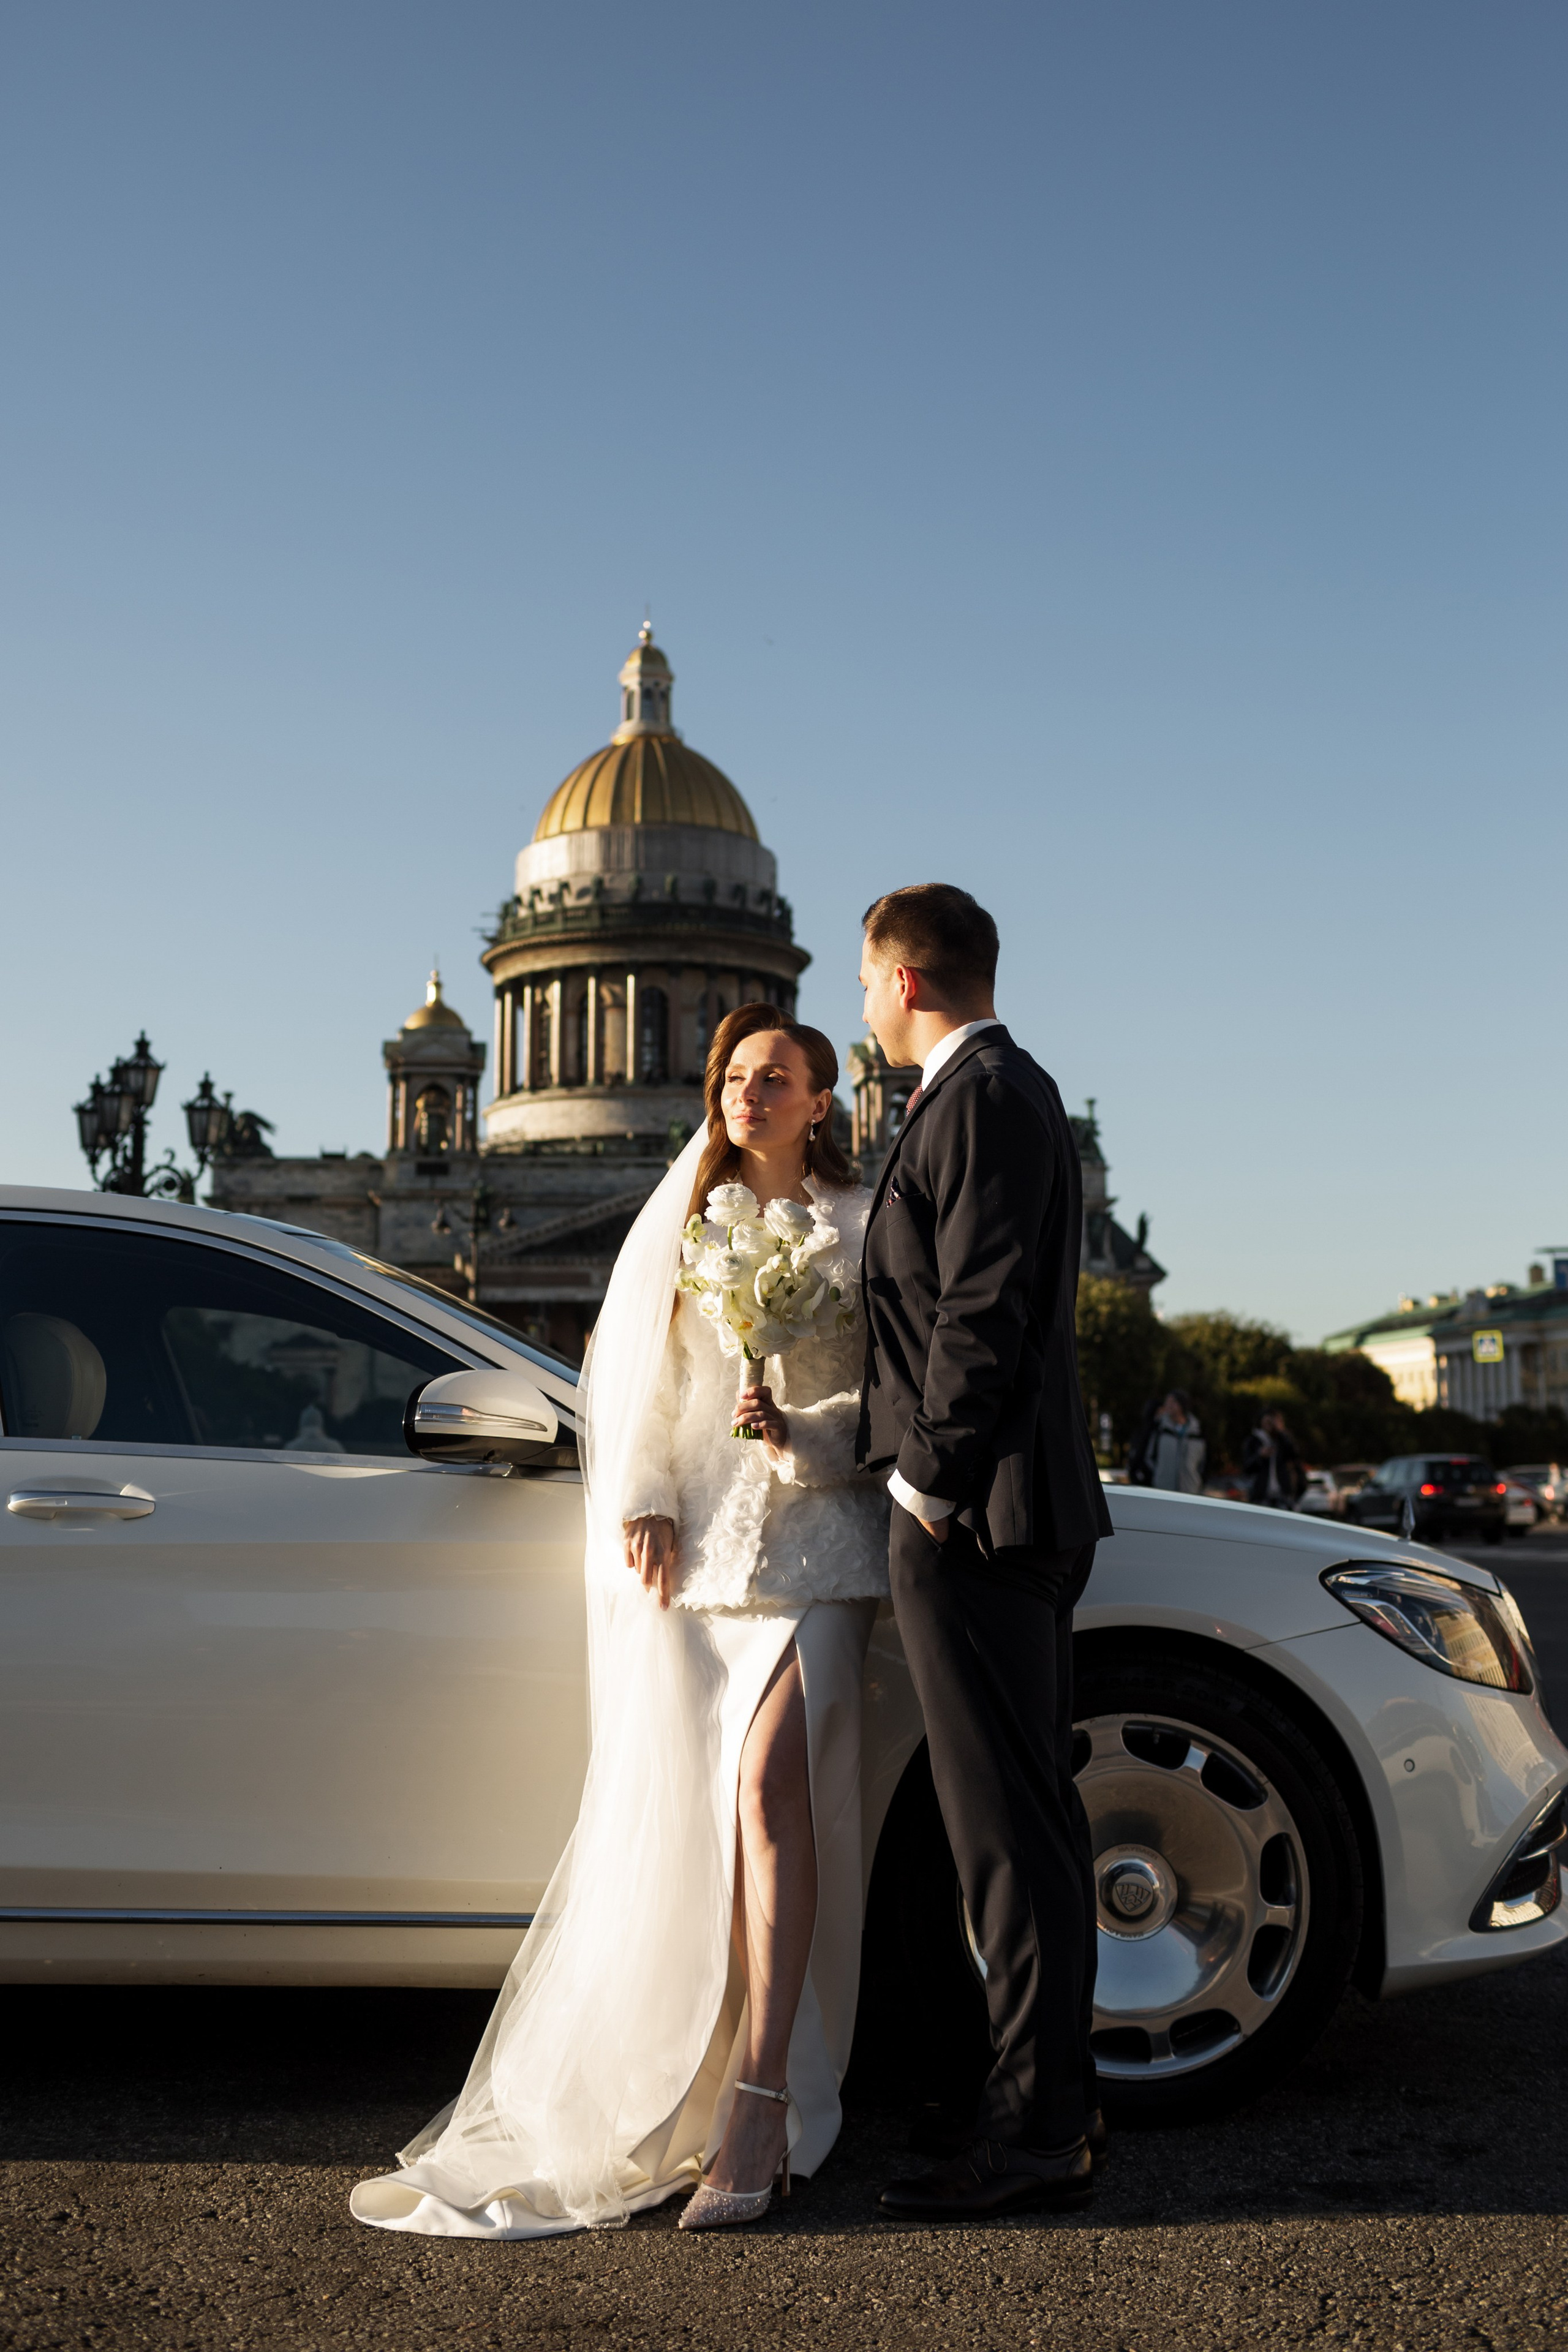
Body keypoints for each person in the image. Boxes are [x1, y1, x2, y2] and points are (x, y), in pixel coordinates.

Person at [350, 1006, 889, 2239]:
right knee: (698, 1828)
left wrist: (804, 1429)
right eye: (736, 1074)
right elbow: (630, 1380)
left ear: (821, 1101)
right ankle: (698, 2084)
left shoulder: (866, 1225)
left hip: (818, 1544)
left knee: (767, 1797)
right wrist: (640, 1497)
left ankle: (762, 2095)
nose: (751, 1092)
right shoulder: (679, 1221)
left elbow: (898, 1389)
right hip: (695, 1556)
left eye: (779, 1076)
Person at [856, 884, 1114, 2222]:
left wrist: (923, 1488)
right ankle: (1047, 2113)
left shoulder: (985, 1098)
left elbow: (978, 1312)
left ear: (902, 982)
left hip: (980, 1515)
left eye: (862, 984)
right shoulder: (989, 1097)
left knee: (1008, 1845)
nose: (861, 1008)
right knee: (1024, 1835)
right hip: (997, 1511)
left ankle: (1032, 2139)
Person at [1134, 1390, 1205, 1494]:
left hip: (1190, 1491)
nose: (1168, 1406)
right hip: (1163, 1490)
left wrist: (1197, 1481)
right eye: (1167, 1402)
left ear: (1182, 1405)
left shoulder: (1197, 1432)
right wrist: (1159, 1475)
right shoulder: (1159, 1429)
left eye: (1173, 1402)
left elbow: (1203, 1463)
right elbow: (1149, 1456)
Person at [1243, 1406, 1303, 1509]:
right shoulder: (1253, 1441)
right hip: (1261, 1495)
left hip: (1282, 1494)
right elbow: (1247, 1467)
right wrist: (1260, 1456)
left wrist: (1280, 1431)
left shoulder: (1282, 1440)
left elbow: (1295, 1455)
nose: (1270, 1424)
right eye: (1268, 1421)